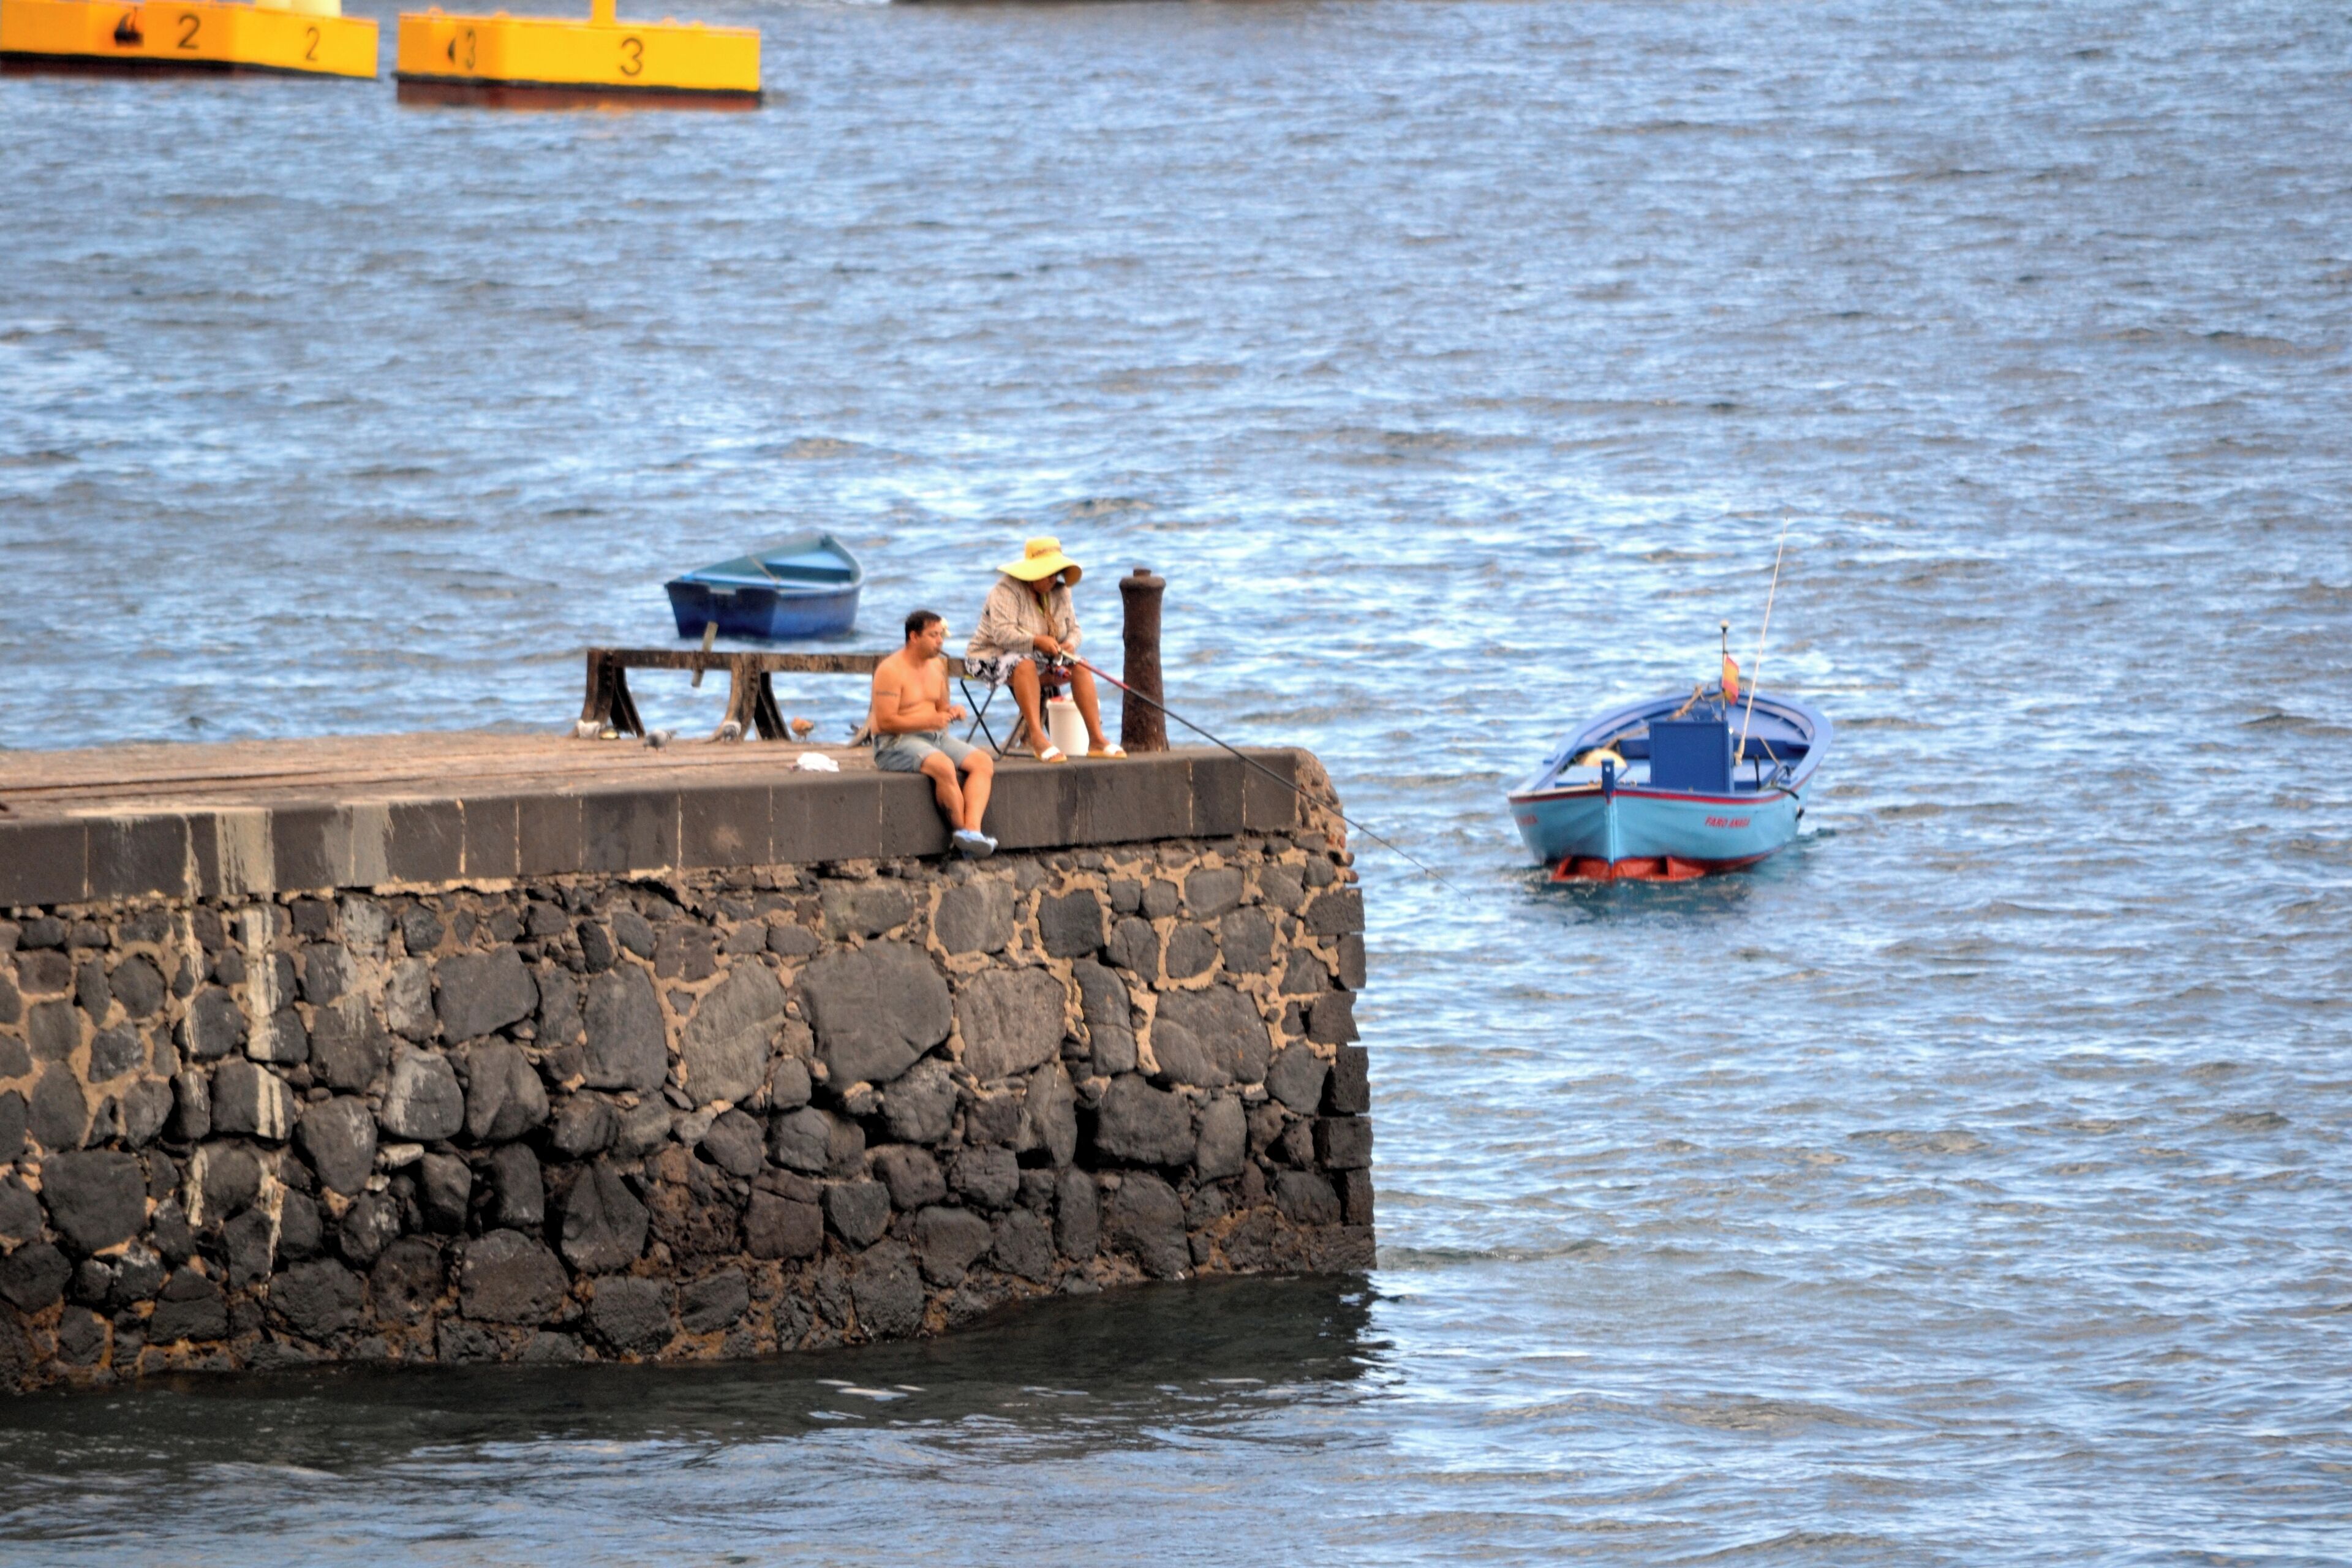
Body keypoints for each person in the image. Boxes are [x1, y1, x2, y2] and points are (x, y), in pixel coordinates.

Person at [965, 536, 1125, 764]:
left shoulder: (1061, 592)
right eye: (1048, 573)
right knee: (1025, 664)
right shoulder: (1006, 590)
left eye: (1056, 573)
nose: (1053, 579)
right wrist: (1038, 641)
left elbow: (1075, 629)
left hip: (1040, 656)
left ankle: (1097, 739)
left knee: (1080, 664)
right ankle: (1037, 738)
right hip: (990, 656)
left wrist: (1070, 642)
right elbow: (1002, 634)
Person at [870, 609, 997, 858]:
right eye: (933, 635)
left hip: (934, 737)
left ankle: (972, 832)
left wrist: (953, 711)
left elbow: (940, 709)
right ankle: (962, 832)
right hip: (894, 743)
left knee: (983, 762)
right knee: (943, 766)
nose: (940, 641)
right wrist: (928, 719)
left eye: (941, 635)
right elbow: (884, 722)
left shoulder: (937, 667)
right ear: (914, 637)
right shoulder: (890, 670)